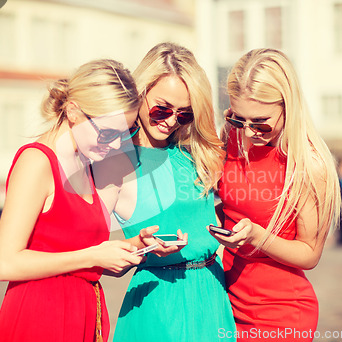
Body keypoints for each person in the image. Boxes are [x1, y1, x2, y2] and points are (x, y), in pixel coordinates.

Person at [0, 59, 144, 342]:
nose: (114, 145)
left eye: (124, 134)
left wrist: (134, 247)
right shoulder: (37, 161)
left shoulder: (85, 163)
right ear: (73, 110)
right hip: (40, 317)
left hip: (83, 313)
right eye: (107, 132)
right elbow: (6, 263)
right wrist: (93, 256)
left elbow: (74, 251)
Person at [93, 42, 236, 341]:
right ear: (140, 92)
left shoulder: (197, 153)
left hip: (212, 292)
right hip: (157, 301)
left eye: (184, 114)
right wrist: (141, 250)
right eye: (162, 108)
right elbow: (92, 255)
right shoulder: (115, 160)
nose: (171, 121)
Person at [210, 49, 341, 342]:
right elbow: (230, 201)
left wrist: (256, 236)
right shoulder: (231, 136)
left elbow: (309, 254)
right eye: (237, 118)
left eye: (260, 122)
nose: (248, 132)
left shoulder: (308, 163)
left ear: (288, 106)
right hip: (224, 301)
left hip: (279, 313)